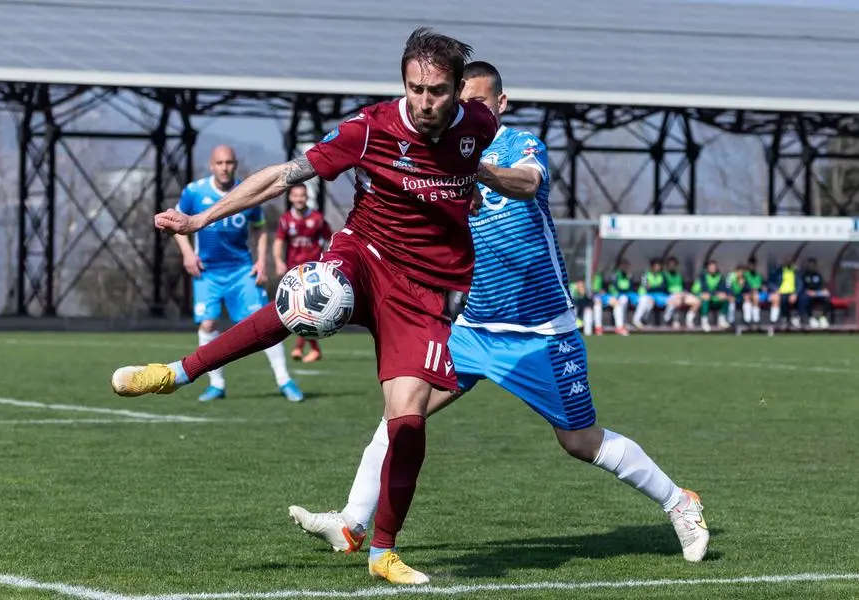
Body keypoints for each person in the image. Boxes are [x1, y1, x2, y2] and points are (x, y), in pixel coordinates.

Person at [111, 28, 498, 585]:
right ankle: (175, 373)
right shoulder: (370, 129)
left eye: (437, 90)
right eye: (414, 88)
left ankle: (381, 552)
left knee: (408, 423)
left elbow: (473, 176)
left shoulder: (478, 127)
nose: (424, 101)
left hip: (427, 289)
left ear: (459, 90)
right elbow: (280, 176)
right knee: (302, 302)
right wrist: (200, 220)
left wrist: (477, 190)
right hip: (364, 254)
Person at [287, 61, 709, 565]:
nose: (470, 114)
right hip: (472, 329)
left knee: (579, 441)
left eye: (481, 104)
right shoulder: (436, 151)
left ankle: (679, 502)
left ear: (501, 105)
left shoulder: (520, 145)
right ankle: (354, 523)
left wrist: (478, 170)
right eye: (462, 105)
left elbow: (529, 183)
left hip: (540, 334)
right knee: (403, 410)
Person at [173, 145, 303, 403]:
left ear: (235, 164)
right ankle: (216, 385)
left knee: (264, 321)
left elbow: (260, 228)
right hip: (208, 272)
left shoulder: (246, 191)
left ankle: (284, 380)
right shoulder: (194, 192)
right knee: (208, 323)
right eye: (220, 163)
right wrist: (187, 253)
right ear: (212, 166)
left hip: (241, 270)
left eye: (229, 162)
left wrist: (260, 261)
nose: (225, 167)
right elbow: (178, 222)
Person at [273, 184, 332, 362]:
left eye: (302, 196)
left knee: (305, 309)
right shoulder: (285, 219)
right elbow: (278, 242)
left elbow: (330, 239)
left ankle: (303, 348)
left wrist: (329, 260)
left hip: (313, 271)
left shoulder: (317, 218)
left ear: (307, 197)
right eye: (296, 196)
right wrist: (278, 261)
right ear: (290, 198)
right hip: (293, 272)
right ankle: (310, 348)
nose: (299, 199)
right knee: (300, 310)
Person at [661, 256, 699, 329]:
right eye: (670, 265)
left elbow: (685, 286)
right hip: (670, 295)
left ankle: (689, 321)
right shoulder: (664, 275)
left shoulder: (680, 275)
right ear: (667, 266)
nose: (672, 266)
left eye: (674, 265)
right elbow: (664, 288)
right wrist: (674, 293)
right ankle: (675, 320)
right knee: (677, 302)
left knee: (696, 302)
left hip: (682, 294)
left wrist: (684, 292)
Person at [694, 260, 729, 332]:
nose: (713, 269)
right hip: (704, 299)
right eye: (711, 267)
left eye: (714, 267)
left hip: (714, 298)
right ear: (707, 268)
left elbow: (723, 289)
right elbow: (695, 290)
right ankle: (704, 321)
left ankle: (722, 320)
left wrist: (722, 294)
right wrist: (701, 295)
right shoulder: (702, 277)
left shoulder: (720, 277)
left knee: (725, 298)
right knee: (705, 299)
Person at [632, 258, 667, 328]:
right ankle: (636, 320)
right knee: (645, 300)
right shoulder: (645, 275)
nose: (658, 268)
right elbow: (647, 287)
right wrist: (655, 287)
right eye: (656, 266)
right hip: (642, 295)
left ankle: (644, 321)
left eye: (659, 266)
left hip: (653, 296)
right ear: (652, 266)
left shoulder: (661, 275)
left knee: (651, 302)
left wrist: (653, 286)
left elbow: (662, 286)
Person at [798, 258, 831, 329]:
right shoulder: (804, 275)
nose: (812, 266)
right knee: (806, 299)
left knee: (827, 298)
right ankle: (810, 318)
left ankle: (823, 318)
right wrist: (808, 292)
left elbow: (823, 286)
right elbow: (801, 287)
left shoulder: (818, 275)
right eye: (810, 264)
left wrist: (824, 291)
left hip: (817, 294)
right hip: (807, 295)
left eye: (813, 265)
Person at [768, 258, 799, 329]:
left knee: (800, 299)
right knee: (778, 298)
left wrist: (795, 293)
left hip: (792, 293)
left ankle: (795, 318)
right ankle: (774, 321)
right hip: (780, 292)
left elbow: (799, 284)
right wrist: (775, 290)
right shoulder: (778, 272)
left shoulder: (795, 272)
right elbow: (770, 282)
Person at [743, 257, 765, 327]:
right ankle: (748, 320)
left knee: (755, 296)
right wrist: (751, 290)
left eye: (754, 265)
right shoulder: (745, 275)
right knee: (748, 297)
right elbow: (744, 287)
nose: (752, 266)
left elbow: (763, 286)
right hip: (748, 294)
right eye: (751, 265)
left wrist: (761, 288)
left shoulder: (759, 275)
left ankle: (756, 320)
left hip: (759, 294)